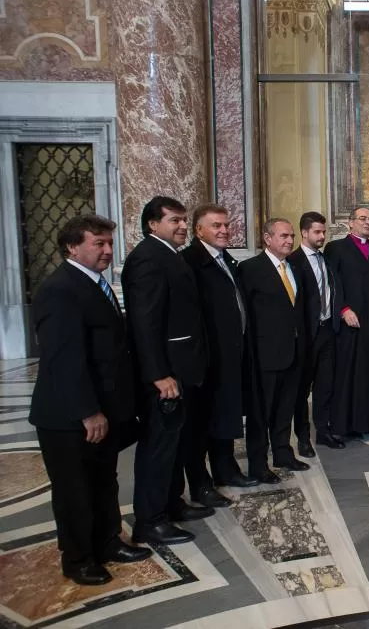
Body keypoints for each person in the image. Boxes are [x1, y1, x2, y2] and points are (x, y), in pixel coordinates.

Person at [30, 215, 152, 586]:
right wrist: (88, 412)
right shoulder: (60, 289)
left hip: (105, 407)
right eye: (98, 243)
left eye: (109, 243)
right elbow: (65, 360)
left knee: (104, 480)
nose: (108, 250)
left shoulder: (95, 284)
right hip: (70, 417)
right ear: (71, 246)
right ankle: (78, 558)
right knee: (74, 490)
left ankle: (108, 541)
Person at [123, 196, 210, 546]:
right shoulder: (147, 259)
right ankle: (150, 519)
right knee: (159, 447)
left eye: (183, 220)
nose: (181, 226)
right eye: (174, 220)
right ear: (152, 224)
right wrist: (159, 374)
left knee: (175, 442)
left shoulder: (167, 255)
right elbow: (145, 323)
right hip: (166, 375)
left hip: (182, 369)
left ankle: (172, 503)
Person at [178, 205, 258, 511]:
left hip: (231, 354)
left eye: (226, 225)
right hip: (206, 359)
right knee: (200, 424)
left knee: (225, 415)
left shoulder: (226, 259)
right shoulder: (190, 262)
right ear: (199, 230)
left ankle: (226, 469)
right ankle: (201, 484)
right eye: (216, 226)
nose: (224, 230)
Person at [238, 218, 308, 482]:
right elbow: (245, 315)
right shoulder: (250, 269)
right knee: (261, 413)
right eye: (283, 236)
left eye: (291, 236)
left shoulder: (295, 268)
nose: (289, 241)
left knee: (285, 408)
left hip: (293, 352)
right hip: (264, 355)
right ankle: (258, 464)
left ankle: (283, 453)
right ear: (267, 239)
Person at [324, 207, 369, 436]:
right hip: (348, 321)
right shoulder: (336, 248)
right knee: (347, 373)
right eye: (362, 219)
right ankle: (343, 425)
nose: (368, 222)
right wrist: (343, 309)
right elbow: (332, 283)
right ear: (350, 223)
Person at [288, 212, 342, 453]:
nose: (322, 236)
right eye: (317, 232)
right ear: (304, 233)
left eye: (324, 232)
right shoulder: (293, 261)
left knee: (325, 385)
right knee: (302, 389)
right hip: (306, 334)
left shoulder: (326, 259)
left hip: (328, 330)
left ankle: (323, 430)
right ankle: (302, 438)